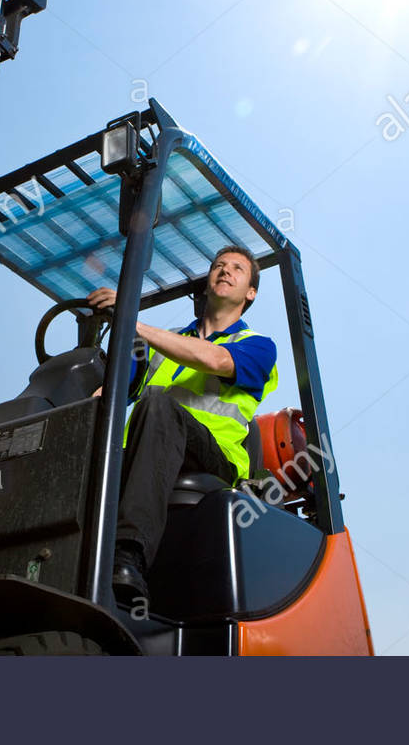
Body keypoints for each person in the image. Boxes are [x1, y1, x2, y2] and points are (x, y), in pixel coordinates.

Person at [86, 245, 278, 603]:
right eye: (219, 265)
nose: (225, 270)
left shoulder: (257, 346)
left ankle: (127, 554)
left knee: (159, 405)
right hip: (148, 453)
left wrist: (130, 319)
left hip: (213, 460)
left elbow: (218, 360)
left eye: (237, 269)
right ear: (207, 282)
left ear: (250, 292)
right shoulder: (158, 343)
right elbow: (115, 387)